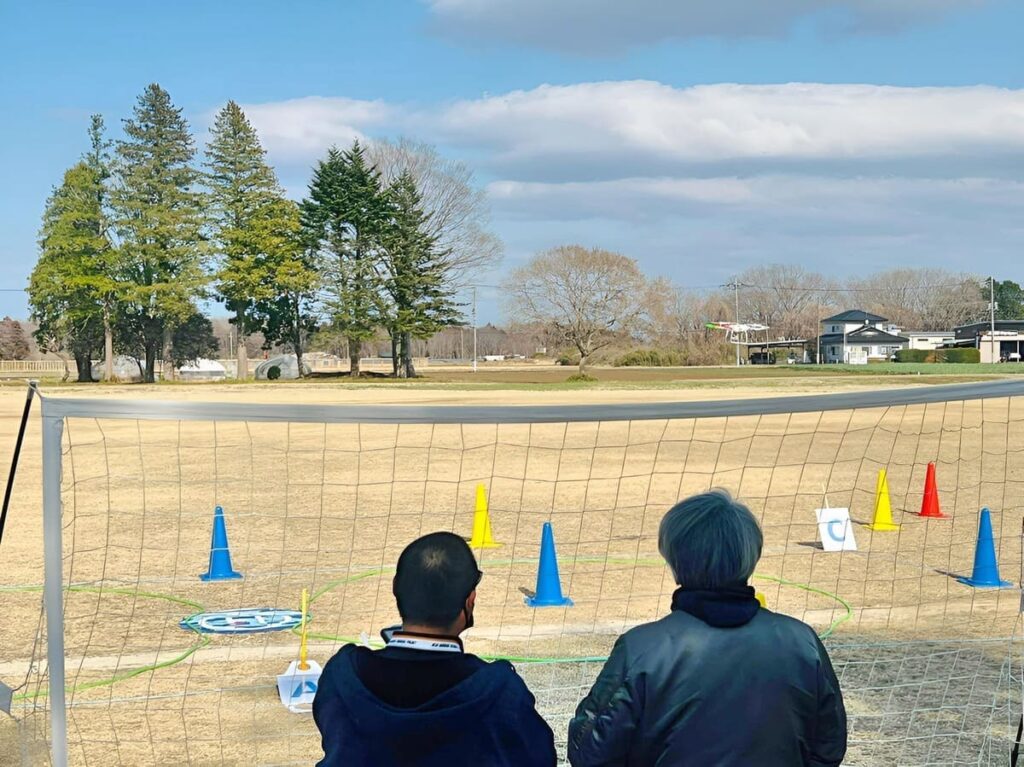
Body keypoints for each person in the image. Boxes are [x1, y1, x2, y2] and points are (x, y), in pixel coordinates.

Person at [568, 490, 847, 767]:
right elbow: (829, 746)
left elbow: (590, 751)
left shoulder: (643, 649)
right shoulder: (801, 642)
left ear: (674, 559)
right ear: (752, 553)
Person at [313, 531, 556, 767]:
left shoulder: (343, 675)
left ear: (396, 588)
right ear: (470, 601)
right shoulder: (500, 691)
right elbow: (539, 757)